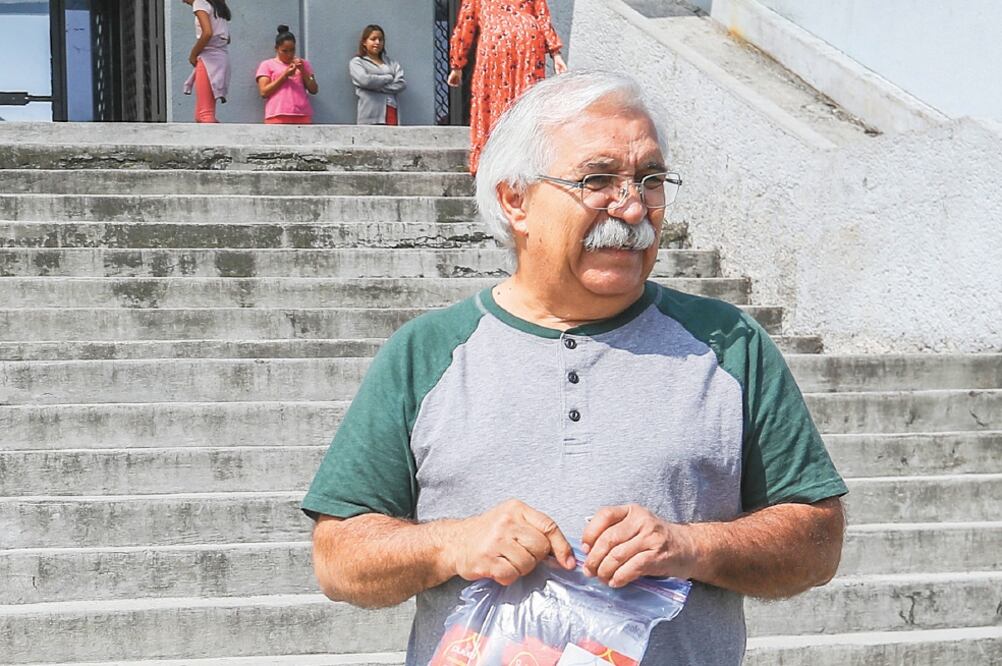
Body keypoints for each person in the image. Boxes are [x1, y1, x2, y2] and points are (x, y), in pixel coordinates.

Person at [303, 70, 847, 666]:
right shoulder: (425, 353)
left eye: (650, 180)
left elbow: (817, 542)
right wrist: (451, 543)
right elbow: (338, 557)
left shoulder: (729, 344)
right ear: (515, 201)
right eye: (598, 179)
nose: (633, 207)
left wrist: (693, 546)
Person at [447, 0, 568, 174]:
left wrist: (457, 64)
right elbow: (542, 15)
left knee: (492, 98)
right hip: (528, 39)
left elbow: (467, 21)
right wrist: (555, 53)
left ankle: (490, 160)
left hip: (496, 39)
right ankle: (524, 159)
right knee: (526, 100)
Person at [255, 25, 318, 125]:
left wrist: (303, 71)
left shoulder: (303, 64)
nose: (289, 54)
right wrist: (285, 76)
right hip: (277, 115)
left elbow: (314, 89)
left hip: (302, 115)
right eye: (284, 51)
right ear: (276, 49)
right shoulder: (267, 65)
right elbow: (264, 92)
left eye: (292, 50)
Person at [181, 0, 231, 123]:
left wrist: (193, 54)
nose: (182, 1)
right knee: (201, 115)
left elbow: (207, 32)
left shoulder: (200, 2)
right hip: (220, 58)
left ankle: (218, 136)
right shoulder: (216, 5)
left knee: (205, 114)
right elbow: (227, 38)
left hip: (209, 59)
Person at [349, 24, 407, 126]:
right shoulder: (357, 62)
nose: (377, 42)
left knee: (392, 136)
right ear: (364, 42)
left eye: (380, 39)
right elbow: (365, 80)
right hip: (369, 115)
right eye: (373, 39)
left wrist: (374, 87)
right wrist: (388, 78)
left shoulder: (392, 63)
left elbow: (401, 84)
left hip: (390, 111)